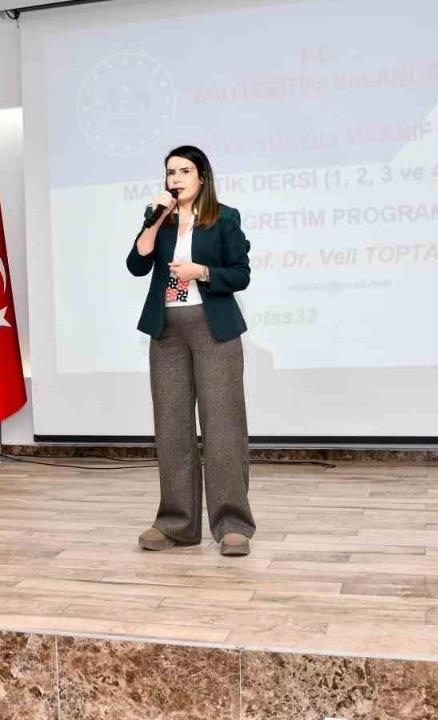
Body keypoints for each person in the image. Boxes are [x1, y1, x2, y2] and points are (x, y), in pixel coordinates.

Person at [126, 145, 255, 557]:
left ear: (202, 177)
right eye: (170, 172)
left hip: (213, 328)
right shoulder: (159, 219)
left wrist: (202, 272)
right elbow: (136, 264)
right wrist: (153, 219)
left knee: (222, 427)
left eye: (184, 171)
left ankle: (232, 525)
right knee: (172, 429)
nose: (176, 178)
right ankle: (175, 524)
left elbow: (241, 274)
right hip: (167, 331)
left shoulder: (224, 217)